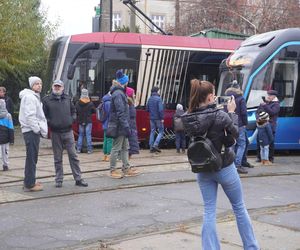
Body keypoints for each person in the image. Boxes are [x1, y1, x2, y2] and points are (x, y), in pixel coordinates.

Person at [181, 79, 259, 250]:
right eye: (214, 95)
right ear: (210, 97)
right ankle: (251, 247)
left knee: (209, 211)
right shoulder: (220, 115)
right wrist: (231, 112)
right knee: (239, 207)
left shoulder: (187, 117)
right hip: (224, 167)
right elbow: (235, 136)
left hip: (202, 168)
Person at [42, 80, 88, 188]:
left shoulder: (68, 98)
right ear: (53, 87)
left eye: (59, 86)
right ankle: (59, 179)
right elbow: (43, 115)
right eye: (55, 86)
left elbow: (74, 111)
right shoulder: (47, 100)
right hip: (55, 132)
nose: (57, 88)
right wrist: (51, 123)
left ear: (63, 88)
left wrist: (72, 119)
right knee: (57, 158)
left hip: (68, 131)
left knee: (74, 156)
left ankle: (78, 178)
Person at [108, 70, 139, 179]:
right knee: (116, 148)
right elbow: (120, 112)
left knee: (126, 147)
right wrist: (126, 126)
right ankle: (112, 170)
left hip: (123, 125)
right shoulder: (118, 94)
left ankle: (126, 168)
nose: (128, 83)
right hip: (120, 126)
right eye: (126, 81)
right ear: (123, 82)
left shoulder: (120, 93)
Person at [19, 76, 48, 192]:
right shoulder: (30, 97)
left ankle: (29, 180)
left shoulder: (33, 96)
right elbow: (30, 116)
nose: (39, 85)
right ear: (32, 86)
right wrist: (37, 129)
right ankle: (30, 184)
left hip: (30, 130)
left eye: (40, 83)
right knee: (32, 157)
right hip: (31, 131)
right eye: (36, 84)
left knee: (31, 157)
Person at [225, 81, 248, 174]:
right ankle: (238, 165)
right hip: (240, 124)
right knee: (242, 144)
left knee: (232, 144)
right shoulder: (241, 98)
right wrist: (245, 123)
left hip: (229, 122)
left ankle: (230, 164)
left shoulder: (226, 97)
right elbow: (243, 112)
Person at [256, 89, 280, 163]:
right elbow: (257, 112)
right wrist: (257, 118)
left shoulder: (276, 104)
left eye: (270, 95)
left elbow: (272, 112)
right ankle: (259, 157)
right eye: (268, 95)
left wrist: (265, 105)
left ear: (274, 96)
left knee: (270, 141)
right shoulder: (264, 103)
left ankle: (270, 158)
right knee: (259, 141)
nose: (268, 96)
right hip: (261, 124)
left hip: (270, 125)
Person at [75, 88, 95, 154]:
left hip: (81, 121)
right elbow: (94, 111)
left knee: (80, 135)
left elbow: (76, 112)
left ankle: (78, 149)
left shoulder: (78, 103)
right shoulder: (90, 103)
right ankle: (89, 149)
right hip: (88, 121)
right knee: (88, 135)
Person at [146, 86, 164, 153]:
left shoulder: (149, 99)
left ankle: (151, 147)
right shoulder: (159, 99)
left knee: (152, 131)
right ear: (157, 91)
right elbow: (161, 110)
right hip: (158, 118)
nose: (159, 91)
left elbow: (147, 109)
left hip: (151, 118)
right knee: (161, 131)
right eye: (159, 90)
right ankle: (155, 145)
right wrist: (162, 118)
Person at [0, 99, 14, 171]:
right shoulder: (8, 115)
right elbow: (11, 128)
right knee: (5, 153)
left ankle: (5, 165)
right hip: (5, 138)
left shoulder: (8, 116)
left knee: (5, 153)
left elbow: (11, 128)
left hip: (5, 138)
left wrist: (12, 140)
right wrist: (11, 140)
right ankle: (5, 165)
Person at [126, 86, 140, 158]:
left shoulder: (130, 104)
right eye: (133, 93)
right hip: (130, 126)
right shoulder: (128, 104)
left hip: (132, 125)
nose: (134, 95)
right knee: (128, 144)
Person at [101, 90, 113, 162]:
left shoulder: (105, 101)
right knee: (109, 140)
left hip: (105, 123)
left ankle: (105, 155)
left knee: (105, 139)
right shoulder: (108, 103)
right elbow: (110, 114)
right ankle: (108, 155)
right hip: (109, 123)